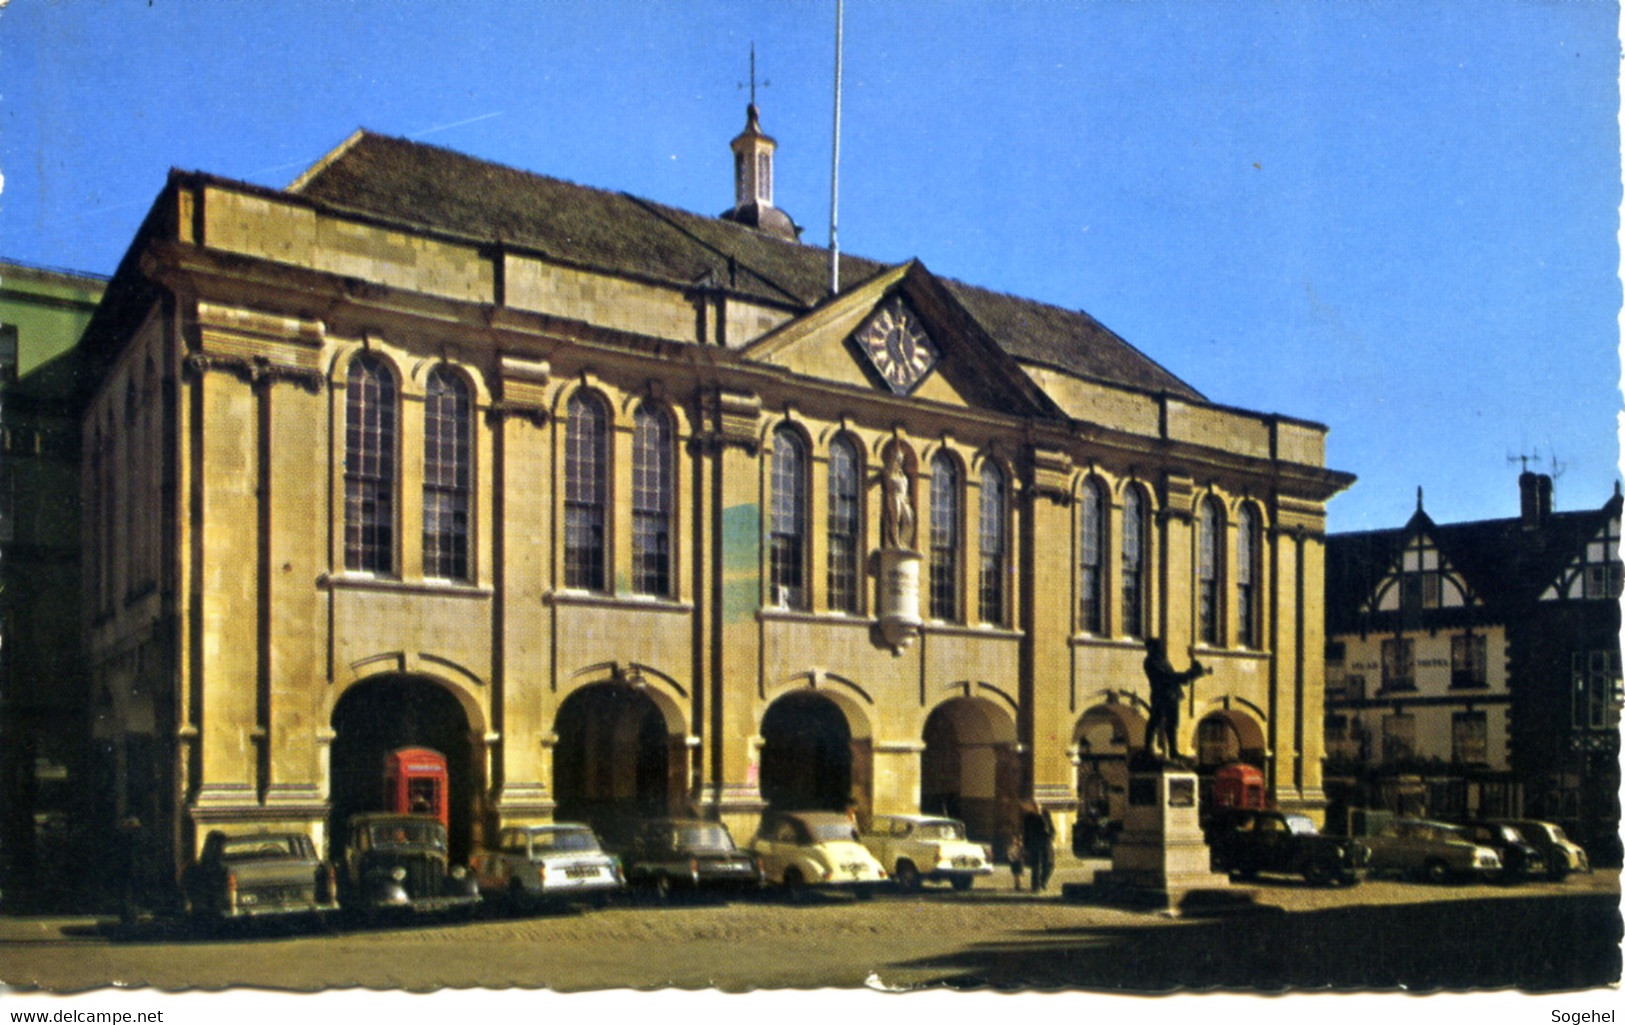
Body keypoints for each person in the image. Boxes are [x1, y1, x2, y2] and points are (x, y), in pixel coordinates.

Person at [1142, 637, 1212, 761]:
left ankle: (1174, 751)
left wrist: (1193, 671)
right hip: (1161, 695)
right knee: (1155, 721)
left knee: (1173, 724)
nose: (1161, 649)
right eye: (1158, 646)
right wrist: (1189, 675)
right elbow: (1166, 677)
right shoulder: (1150, 661)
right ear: (1151, 648)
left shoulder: (1163, 660)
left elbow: (1174, 677)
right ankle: (1148, 749)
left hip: (1172, 695)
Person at [1022, 805, 1056, 893]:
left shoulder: (1045, 814)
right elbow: (1026, 831)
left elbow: (1051, 827)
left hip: (1046, 842)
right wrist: (1026, 845)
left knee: (1049, 864)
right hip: (1034, 843)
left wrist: (1051, 836)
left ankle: (1043, 882)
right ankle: (1035, 886)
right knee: (1035, 866)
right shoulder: (1029, 817)